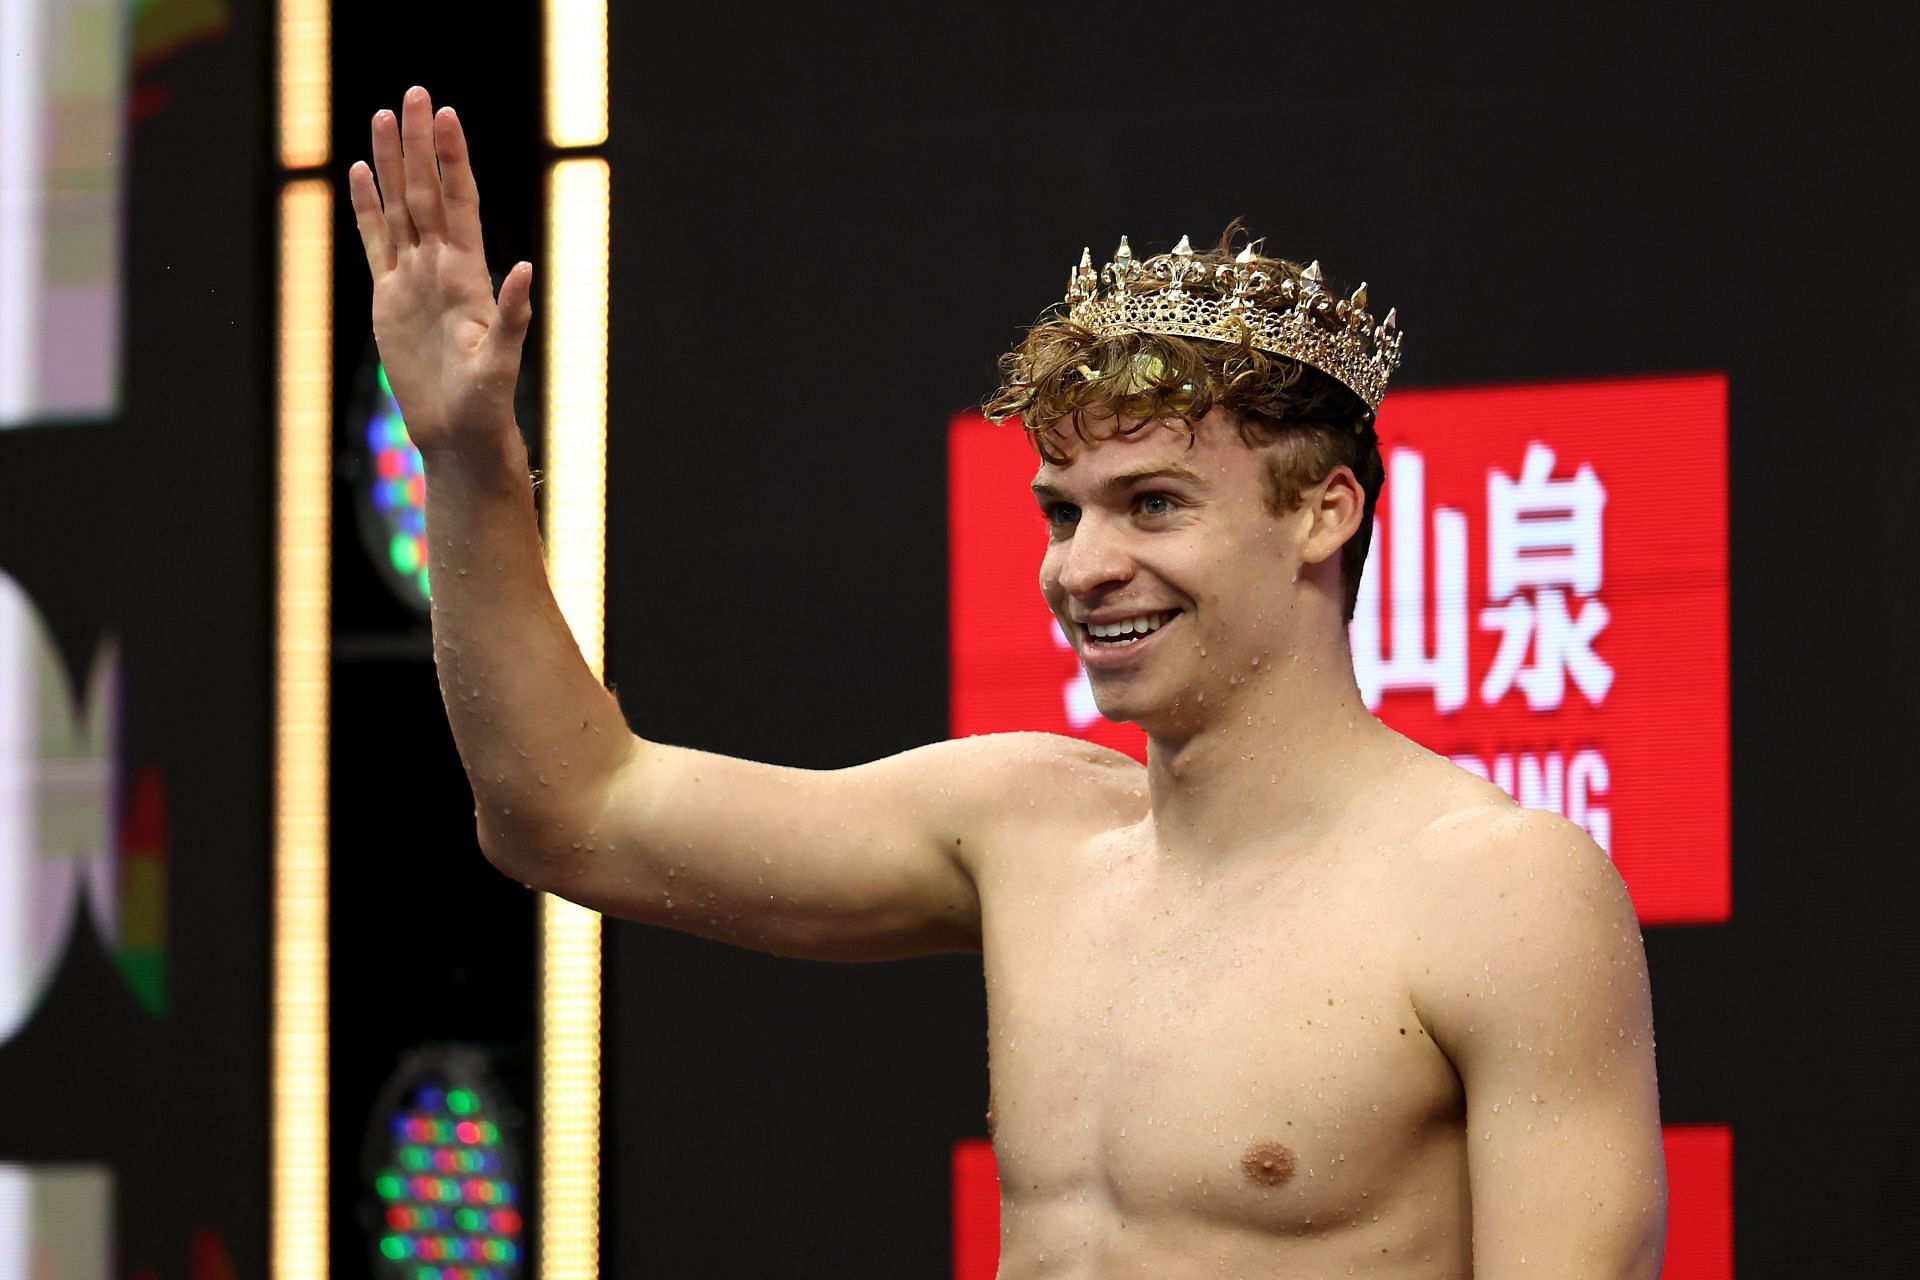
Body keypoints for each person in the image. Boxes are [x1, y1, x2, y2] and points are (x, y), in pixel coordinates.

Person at [348, 84, 1667, 1277]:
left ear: (1325, 514)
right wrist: (466, 459)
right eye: (1061, 514)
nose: (1087, 566)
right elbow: (570, 812)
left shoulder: (1501, 890)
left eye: (1153, 506)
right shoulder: (1027, 828)